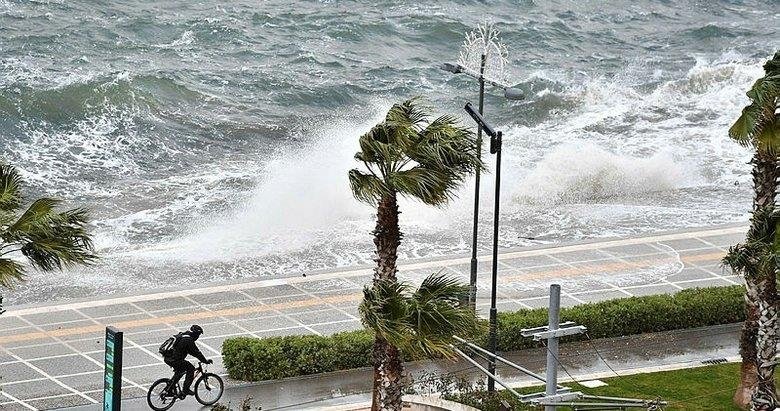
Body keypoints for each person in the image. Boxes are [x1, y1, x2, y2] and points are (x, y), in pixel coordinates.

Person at [165, 324, 212, 396]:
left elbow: (191, 351)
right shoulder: (189, 340)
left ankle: (169, 388)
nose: (198, 337)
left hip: (168, 358)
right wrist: (205, 361)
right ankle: (186, 390)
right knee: (191, 368)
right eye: (198, 335)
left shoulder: (183, 335)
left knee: (180, 371)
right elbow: (196, 353)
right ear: (196, 334)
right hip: (175, 360)